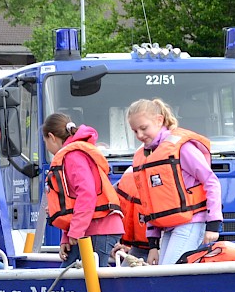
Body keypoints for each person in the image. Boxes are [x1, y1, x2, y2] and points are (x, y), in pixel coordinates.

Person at [126, 97, 223, 265]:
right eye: (135, 131)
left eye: (143, 128)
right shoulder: (146, 156)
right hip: (168, 227)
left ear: (159, 120)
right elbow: (150, 203)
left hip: (191, 221)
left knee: (168, 273)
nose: (140, 135)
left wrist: (213, 223)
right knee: (164, 274)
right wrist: (153, 245)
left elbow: (211, 181)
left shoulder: (181, 148)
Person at [41, 113, 124, 267]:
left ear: (51, 137)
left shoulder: (73, 156)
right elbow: (73, 202)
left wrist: (75, 231)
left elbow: (87, 194)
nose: (46, 146)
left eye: (45, 141)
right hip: (90, 229)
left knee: (85, 284)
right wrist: (67, 236)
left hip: (99, 229)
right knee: (70, 281)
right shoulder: (75, 154)